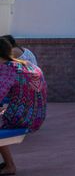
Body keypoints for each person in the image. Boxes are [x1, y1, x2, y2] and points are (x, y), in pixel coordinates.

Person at [0, 36, 46, 175]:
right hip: (37, 116)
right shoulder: (28, 65)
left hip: (21, 117)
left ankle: (10, 166)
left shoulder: (7, 69)